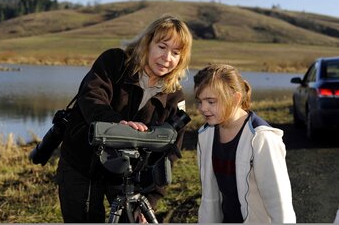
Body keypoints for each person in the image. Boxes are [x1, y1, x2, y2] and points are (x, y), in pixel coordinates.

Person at [57, 15, 193, 223]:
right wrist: (116, 124)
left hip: (126, 175)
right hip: (82, 163)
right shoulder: (114, 62)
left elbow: (170, 153)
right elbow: (91, 96)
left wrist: (150, 198)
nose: (167, 57)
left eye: (176, 53)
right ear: (147, 43)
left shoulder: (174, 96)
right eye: (162, 47)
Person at [194, 64, 296, 223]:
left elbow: (279, 204)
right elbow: (209, 194)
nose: (202, 108)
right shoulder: (205, 134)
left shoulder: (262, 139)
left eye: (211, 101)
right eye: (200, 101)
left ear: (236, 98)